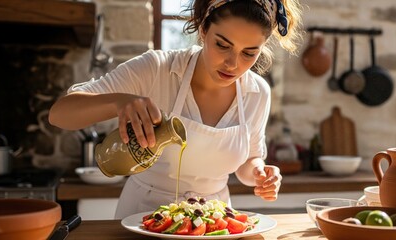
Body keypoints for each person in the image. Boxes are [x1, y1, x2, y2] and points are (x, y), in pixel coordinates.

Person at [49, 0, 302, 219]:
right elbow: (60, 114)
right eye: (222, 45)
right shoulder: (156, 69)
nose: (233, 64)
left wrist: (260, 173)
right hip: (142, 215)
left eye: (249, 53)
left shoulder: (257, 93)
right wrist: (118, 101)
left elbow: (248, 161)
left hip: (212, 219)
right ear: (203, 29)